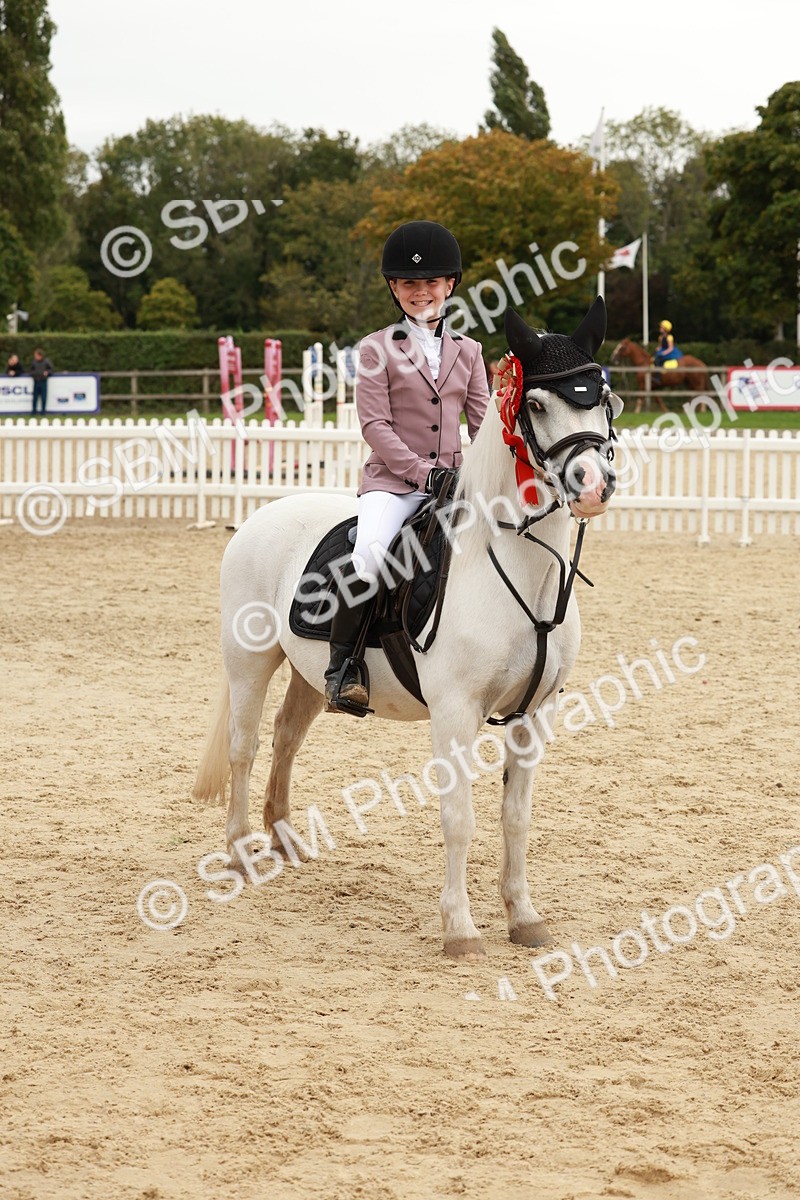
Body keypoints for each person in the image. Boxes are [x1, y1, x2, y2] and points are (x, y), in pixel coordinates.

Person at [323, 220, 490, 715]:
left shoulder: (470, 351)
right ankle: (343, 670)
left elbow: (483, 425)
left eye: (431, 283)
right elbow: (375, 426)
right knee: (370, 557)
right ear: (395, 289)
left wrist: (487, 473)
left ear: (450, 285)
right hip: (394, 486)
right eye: (410, 284)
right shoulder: (376, 349)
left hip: (457, 485)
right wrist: (423, 473)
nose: (422, 292)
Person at [652, 319, 683, 386]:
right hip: (663, 350)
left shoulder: (669, 337)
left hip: (670, 352)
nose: (660, 328)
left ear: (665, 329)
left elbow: (670, 348)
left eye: (661, 327)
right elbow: (661, 346)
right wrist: (657, 349)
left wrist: (663, 353)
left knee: (658, 360)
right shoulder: (660, 337)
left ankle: (658, 378)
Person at [30, 348, 54, 416]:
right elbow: (30, 371)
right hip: (36, 381)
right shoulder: (34, 362)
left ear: (40, 355)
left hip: (43, 381)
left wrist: (47, 373)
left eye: (36, 355)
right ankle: (34, 411)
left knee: (43, 397)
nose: (35, 356)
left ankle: (43, 411)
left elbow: (51, 370)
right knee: (35, 397)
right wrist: (35, 374)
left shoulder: (46, 362)